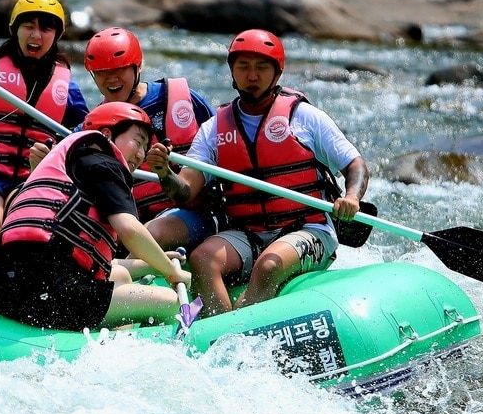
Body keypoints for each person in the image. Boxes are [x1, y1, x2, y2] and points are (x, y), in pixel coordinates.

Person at [146, 29, 368, 315]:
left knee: (269, 264)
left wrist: (351, 197)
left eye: (261, 68)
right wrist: (165, 173)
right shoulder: (214, 129)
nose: (252, 76)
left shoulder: (304, 117)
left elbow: (354, 164)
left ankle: (236, 332)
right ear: (232, 71)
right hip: (249, 233)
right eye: (243, 67)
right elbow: (186, 189)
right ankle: (214, 337)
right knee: (202, 258)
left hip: (308, 229)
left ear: (277, 72)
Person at [0, 102, 191, 331]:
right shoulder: (103, 162)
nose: (141, 154)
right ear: (107, 134)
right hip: (48, 294)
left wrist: (152, 264)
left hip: (4, 290)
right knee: (169, 303)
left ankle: (120, 346)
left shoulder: (73, 161)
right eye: (137, 141)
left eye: (145, 146)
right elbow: (129, 230)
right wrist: (171, 272)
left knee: (120, 274)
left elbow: (78, 256)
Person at [0, 0, 89, 256]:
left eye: (46, 28)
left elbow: (84, 135)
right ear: (13, 30)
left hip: (30, 182)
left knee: (25, 238)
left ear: (57, 35)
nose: (36, 35)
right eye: (29, 26)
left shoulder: (65, 86)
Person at [82, 26, 215, 227]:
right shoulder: (93, 124)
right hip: (129, 221)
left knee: (156, 230)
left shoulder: (180, 98)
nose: (111, 78)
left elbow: (221, 142)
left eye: (119, 68)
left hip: (192, 214)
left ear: (138, 66)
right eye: (101, 72)